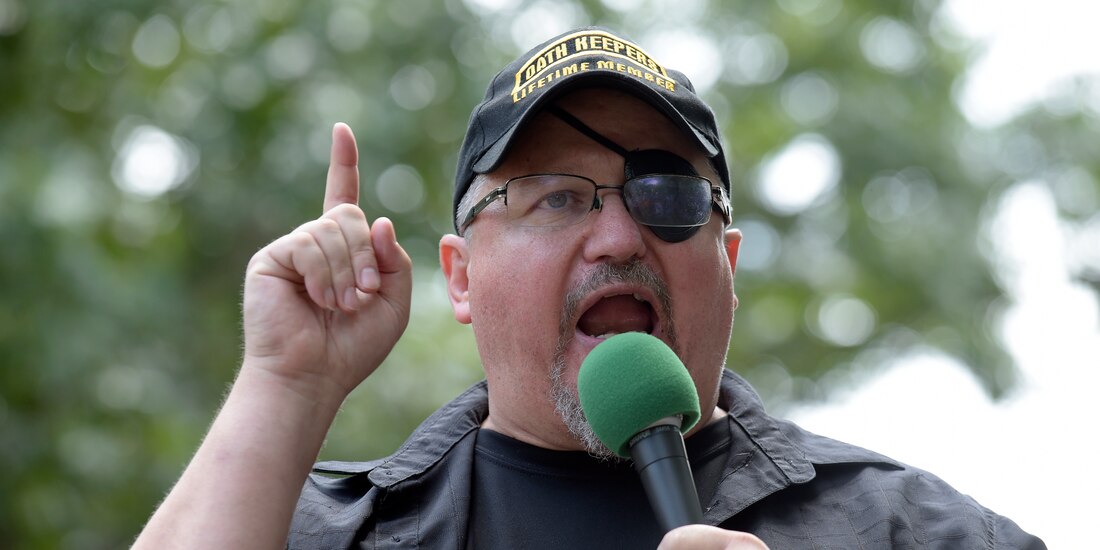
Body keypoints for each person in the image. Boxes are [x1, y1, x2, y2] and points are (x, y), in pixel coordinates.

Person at [134, 27, 1045, 549]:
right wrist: (286, 384)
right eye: (556, 198)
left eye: (668, 195)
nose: (617, 237)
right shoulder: (311, 532)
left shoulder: (919, 533)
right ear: (461, 276)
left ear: (727, 265)